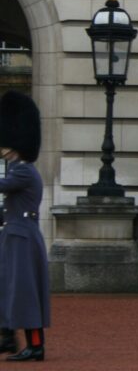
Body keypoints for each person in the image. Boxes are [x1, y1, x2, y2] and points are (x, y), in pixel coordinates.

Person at [0, 91, 50, 361]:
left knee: (26, 291)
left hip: (21, 238)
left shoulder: (21, 170)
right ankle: (8, 336)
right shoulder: (20, 169)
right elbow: (10, 205)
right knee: (8, 286)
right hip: (16, 234)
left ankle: (35, 345)